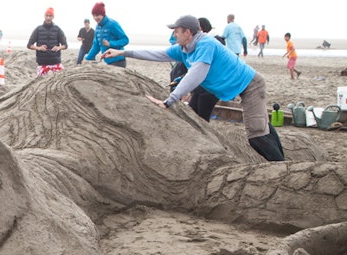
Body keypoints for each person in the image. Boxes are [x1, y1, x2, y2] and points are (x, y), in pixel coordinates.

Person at [102, 15, 284, 162]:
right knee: (261, 126)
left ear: (187, 32)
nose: (174, 36)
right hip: (239, 87)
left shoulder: (206, 44)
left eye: (177, 32)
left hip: (250, 85)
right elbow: (157, 54)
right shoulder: (184, 48)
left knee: (257, 136)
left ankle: (280, 168)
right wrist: (122, 52)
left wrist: (170, 100)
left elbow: (196, 74)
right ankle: (283, 162)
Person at [84, 2, 129, 67]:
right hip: (108, 62)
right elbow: (96, 46)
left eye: (97, 15)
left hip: (118, 61)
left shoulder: (113, 24)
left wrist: (110, 44)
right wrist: (87, 58)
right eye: (93, 16)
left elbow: (125, 40)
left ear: (103, 14)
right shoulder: (97, 27)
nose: (95, 18)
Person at [27, 7, 67, 76]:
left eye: (50, 16)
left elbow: (65, 45)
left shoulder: (57, 29)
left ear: (53, 17)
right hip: (42, 63)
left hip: (55, 62)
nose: (48, 18)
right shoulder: (38, 29)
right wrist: (39, 48)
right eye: (47, 15)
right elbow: (29, 45)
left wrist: (58, 47)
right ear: (44, 16)